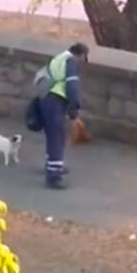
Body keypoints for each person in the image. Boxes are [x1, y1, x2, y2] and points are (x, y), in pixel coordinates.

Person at [39, 42, 89, 189]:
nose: (83, 62)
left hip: (45, 98)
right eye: (84, 59)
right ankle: (54, 175)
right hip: (55, 100)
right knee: (58, 137)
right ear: (81, 55)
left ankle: (51, 165)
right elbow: (71, 87)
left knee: (52, 134)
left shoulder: (59, 58)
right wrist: (74, 109)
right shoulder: (71, 62)